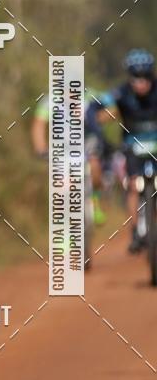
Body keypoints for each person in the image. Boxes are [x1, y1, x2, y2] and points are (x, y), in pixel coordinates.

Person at [90, 49, 157, 253]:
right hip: (132, 145)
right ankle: (136, 231)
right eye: (136, 77)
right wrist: (99, 133)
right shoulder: (120, 93)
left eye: (145, 76)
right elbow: (95, 106)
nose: (141, 82)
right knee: (132, 184)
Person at [31, 87, 107, 225]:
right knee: (60, 188)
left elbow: (111, 110)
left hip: (87, 143)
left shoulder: (91, 97)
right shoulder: (49, 101)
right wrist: (41, 149)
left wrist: (94, 118)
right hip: (63, 149)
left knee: (94, 165)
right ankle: (63, 231)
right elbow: (39, 125)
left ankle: (95, 201)